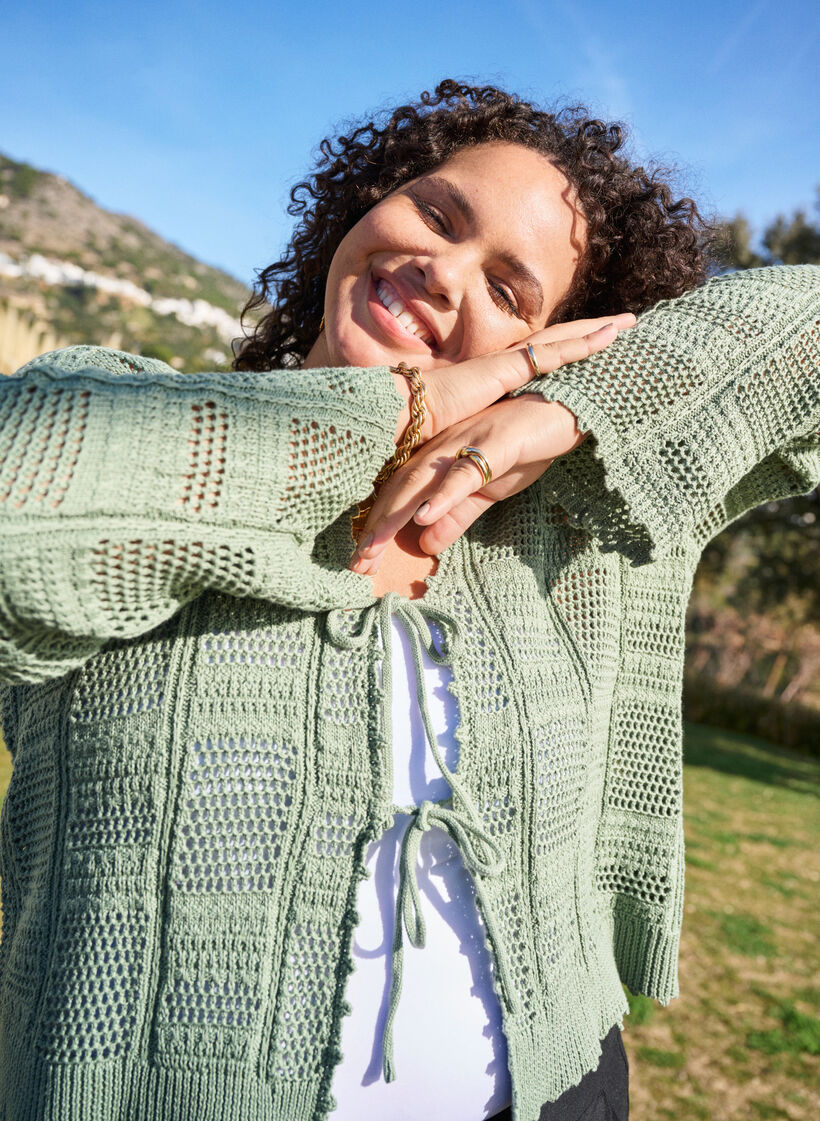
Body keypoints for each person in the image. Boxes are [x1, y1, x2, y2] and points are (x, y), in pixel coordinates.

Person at [0, 78, 817, 1121]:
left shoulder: (587, 528)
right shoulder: (136, 430)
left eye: (513, 292)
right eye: (437, 214)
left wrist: (571, 407)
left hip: (559, 1085)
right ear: (363, 205)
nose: (441, 267)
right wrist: (402, 408)